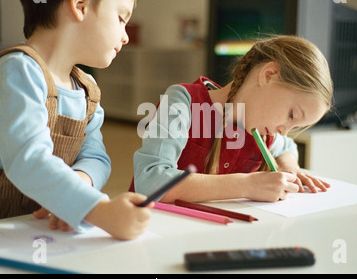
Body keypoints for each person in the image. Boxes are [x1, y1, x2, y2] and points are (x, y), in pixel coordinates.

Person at [0, 0, 152, 240]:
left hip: (42, 235)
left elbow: (96, 158)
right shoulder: (16, 72)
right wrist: (97, 211)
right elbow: (29, 160)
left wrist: (76, 186)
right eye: (121, 19)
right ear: (80, 5)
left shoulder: (87, 89)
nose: (125, 37)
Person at [131, 35, 333, 203]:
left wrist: (291, 167)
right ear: (269, 75)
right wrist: (247, 186)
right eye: (291, 115)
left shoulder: (262, 130)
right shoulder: (182, 102)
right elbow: (150, 182)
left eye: (295, 126)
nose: (284, 130)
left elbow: (287, 146)